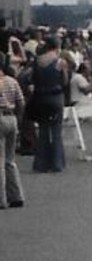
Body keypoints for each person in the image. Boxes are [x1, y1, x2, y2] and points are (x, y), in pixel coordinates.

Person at [31, 36, 71, 173]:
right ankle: (57, 163)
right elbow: (65, 81)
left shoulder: (37, 61)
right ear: (57, 46)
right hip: (55, 97)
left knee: (42, 130)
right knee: (56, 131)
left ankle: (41, 163)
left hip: (41, 97)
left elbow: (34, 79)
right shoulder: (60, 62)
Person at [0, 65, 25, 208]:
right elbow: (21, 102)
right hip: (11, 117)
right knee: (10, 160)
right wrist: (18, 118)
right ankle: (16, 196)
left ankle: (1, 199)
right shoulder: (11, 81)